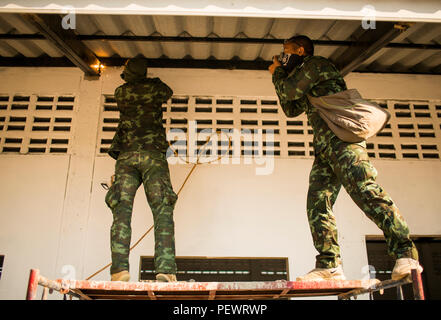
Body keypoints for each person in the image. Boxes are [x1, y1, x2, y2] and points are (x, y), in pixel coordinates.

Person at [269, 35, 423, 281]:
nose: (282, 55)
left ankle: (406, 254)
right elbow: (291, 108)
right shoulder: (302, 76)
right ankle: (329, 264)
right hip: (324, 150)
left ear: (299, 50)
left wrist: (277, 73)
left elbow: (288, 90)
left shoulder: (315, 65)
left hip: (343, 143)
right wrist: (280, 75)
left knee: (365, 191)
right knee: (318, 203)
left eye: (286, 51)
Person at [105, 58, 178, 282]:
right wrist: (150, 79)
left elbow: (129, 86)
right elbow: (168, 91)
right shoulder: (156, 89)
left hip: (126, 156)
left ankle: (119, 270)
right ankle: (165, 269)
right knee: (162, 210)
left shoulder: (120, 92)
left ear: (127, 73)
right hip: (153, 155)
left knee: (121, 212)